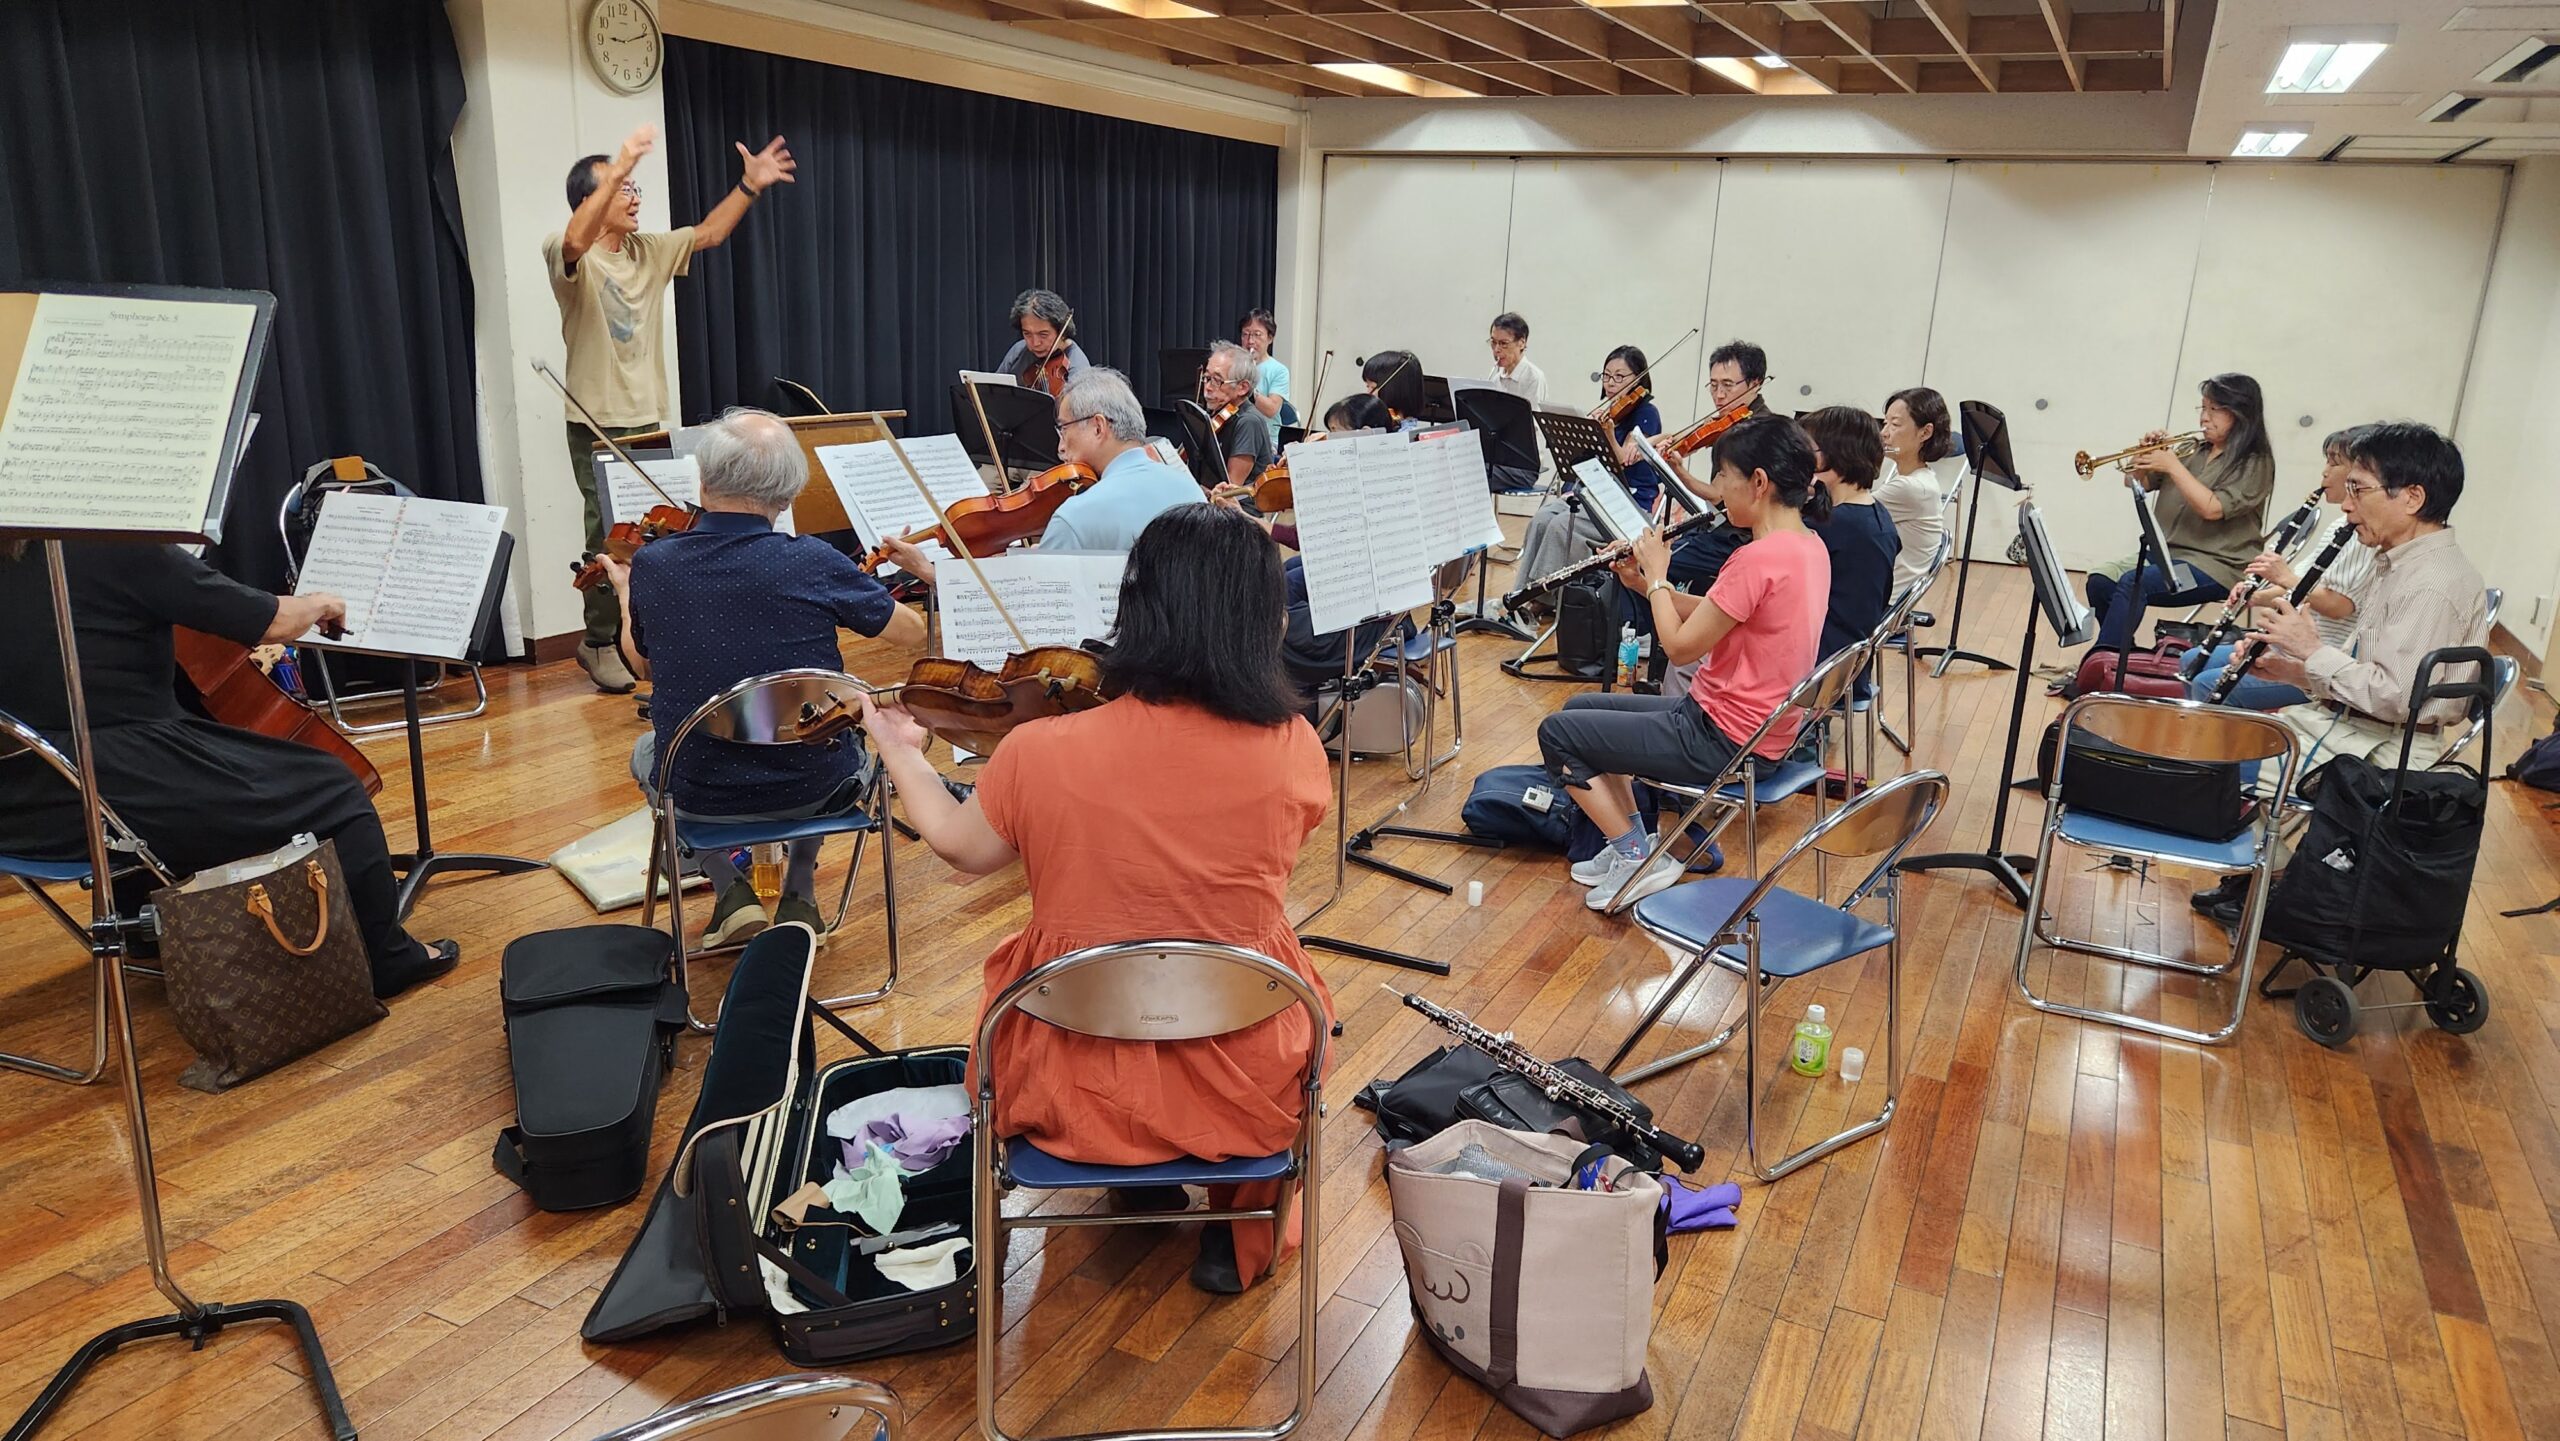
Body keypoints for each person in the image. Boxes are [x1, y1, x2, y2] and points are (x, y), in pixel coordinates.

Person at [856, 504, 1334, 1295]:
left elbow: (959, 844)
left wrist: (900, 750)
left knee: (1074, 993)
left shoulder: (1036, 749)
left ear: (1136, 610)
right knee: (1270, 990)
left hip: (1068, 1077)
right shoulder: (1294, 747)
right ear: (1257, 622)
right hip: (1244, 1076)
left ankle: (1131, 1172)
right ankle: (1234, 1233)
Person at [0, 544, 456, 1000]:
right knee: (332, 786)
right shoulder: (115, 546)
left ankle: (145, 929)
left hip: (21, 800)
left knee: (183, 783)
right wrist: (319, 603)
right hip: (101, 786)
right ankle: (388, 960)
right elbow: (273, 621)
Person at [602, 409, 930, 944]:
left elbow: (640, 667)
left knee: (647, 753)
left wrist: (623, 592)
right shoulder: (814, 561)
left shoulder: (656, 565)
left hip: (702, 791)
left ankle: (731, 890)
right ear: (788, 494)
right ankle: (800, 890)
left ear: (703, 483)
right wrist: (905, 577)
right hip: (819, 789)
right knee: (827, 735)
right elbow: (911, 634)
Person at [2192, 421, 2488, 927]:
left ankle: (2276, 883)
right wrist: (2291, 668)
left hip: (2382, 752)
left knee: (2212, 756)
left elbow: (2395, 697)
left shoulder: (2431, 585)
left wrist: (2310, 650)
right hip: (2359, 728)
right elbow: (2371, 676)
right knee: (2216, 736)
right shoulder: (2402, 564)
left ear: (2412, 497)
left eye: (2359, 489)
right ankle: (2269, 879)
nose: (2346, 505)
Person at [1538, 415, 1832, 911]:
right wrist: (1645, 585)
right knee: (1580, 708)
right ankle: (1636, 845)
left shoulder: (1756, 558)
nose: (1718, 489)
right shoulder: (1808, 546)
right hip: (1754, 731)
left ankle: (1636, 856)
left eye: (1724, 476)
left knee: (1557, 734)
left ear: (1758, 482)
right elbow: (1723, 614)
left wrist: (1657, 576)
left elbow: (1678, 648)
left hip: (1722, 739)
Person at [548, 122, 797, 695]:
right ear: (591, 200)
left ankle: (646, 636)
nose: (635, 198)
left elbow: (709, 233)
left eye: (635, 188)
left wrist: (750, 186)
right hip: (596, 420)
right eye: (623, 190)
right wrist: (620, 162)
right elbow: (575, 241)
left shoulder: (648, 250)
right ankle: (599, 641)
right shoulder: (569, 252)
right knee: (605, 532)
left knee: (653, 532)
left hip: (648, 416)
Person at [2080, 373, 2278, 661]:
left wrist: (2173, 466)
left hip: (2217, 566)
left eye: (2214, 409)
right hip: (2168, 555)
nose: (2204, 418)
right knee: (2100, 580)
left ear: (2240, 414)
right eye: (2203, 408)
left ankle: (2101, 661)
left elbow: (2212, 508)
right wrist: (2144, 456)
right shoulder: (2193, 451)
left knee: (2136, 583)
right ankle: (2121, 656)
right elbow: (2135, 483)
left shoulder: (2255, 463)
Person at [2181, 426, 2377, 710]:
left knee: (2207, 684)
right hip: (2288, 645)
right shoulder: (2338, 526)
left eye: (2334, 463)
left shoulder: (2365, 536)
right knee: (2190, 660)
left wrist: (2285, 577)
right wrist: (2255, 597)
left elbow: (2338, 606)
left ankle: (2224, 735)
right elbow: (2301, 587)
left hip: (2321, 659)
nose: (2324, 472)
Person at [1509, 346, 1666, 598]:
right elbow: (1587, 461)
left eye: (1619, 377)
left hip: (1628, 504)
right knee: (1541, 519)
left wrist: (1607, 433)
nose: (1610, 383)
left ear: (1638, 379)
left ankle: (1548, 599)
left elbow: (1623, 459)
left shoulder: (1647, 413)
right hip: (1594, 497)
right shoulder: (1608, 411)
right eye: (1606, 376)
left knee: (1562, 526)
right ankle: (1520, 595)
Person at [1800, 406, 1901, 664]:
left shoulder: (1835, 526)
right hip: (1850, 662)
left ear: (1839, 454)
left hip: (1820, 660)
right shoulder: (1875, 512)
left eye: (1809, 451)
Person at [1875, 387, 1952, 600]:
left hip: (1885, 601)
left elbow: (1847, 514)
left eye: (1895, 424)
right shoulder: (1919, 478)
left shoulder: (1911, 487)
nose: (1884, 433)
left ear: (1925, 433)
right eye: (1885, 423)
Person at [1202, 340, 1276, 489]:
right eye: (1207, 378)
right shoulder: (1218, 412)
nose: (1208, 387)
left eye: (1217, 380)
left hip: (1238, 502)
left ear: (1242, 388)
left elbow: (1229, 489)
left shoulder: (1249, 422)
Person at [997, 288, 1090, 397]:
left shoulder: (1078, 369)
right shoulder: (1019, 350)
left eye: (1043, 334)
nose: (1035, 343)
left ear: (1062, 332)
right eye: (1027, 333)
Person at [1239, 308, 1294, 425]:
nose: (1250, 341)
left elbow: (1271, 410)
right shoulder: (1234, 366)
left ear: (1270, 338)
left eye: (1257, 335)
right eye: (1245, 334)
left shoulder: (1279, 371)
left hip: (1265, 433)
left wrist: (1247, 389)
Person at [1363, 350, 1430, 430]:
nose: (1369, 393)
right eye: (1367, 386)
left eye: (1372, 387)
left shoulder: (1406, 433)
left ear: (1391, 390)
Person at [1487, 313, 1545, 403]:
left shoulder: (1533, 378)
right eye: (1493, 342)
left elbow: (1531, 412)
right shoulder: (1496, 379)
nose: (1496, 349)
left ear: (1521, 343)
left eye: (1504, 343)